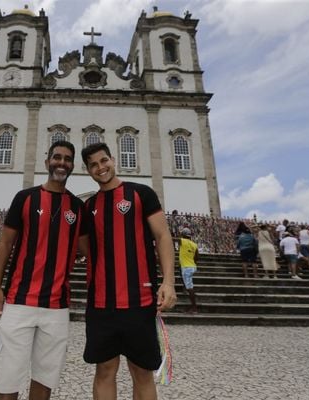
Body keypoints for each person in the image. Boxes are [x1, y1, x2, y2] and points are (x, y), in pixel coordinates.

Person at [78, 143, 177, 400]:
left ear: (113, 159)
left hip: (139, 301)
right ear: (87, 170)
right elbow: (86, 247)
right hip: (101, 304)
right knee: (104, 370)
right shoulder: (89, 207)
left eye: (104, 161)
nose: (101, 168)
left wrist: (168, 282)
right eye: (93, 165)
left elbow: (162, 236)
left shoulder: (141, 193)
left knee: (142, 372)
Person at [0, 141, 83, 399]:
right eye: (57, 157)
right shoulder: (25, 198)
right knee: (7, 379)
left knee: (44, 379)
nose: (62, 163)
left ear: (73, 166)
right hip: (20, 300)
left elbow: (91, 250)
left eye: (67, 159)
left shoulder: (77, 207)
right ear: (47, 162)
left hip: (57, 306)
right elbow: (5, 242)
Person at [176, 228, 199, 313]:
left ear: (183, 235)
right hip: (192, 266)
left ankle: (194, 307)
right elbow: (197, 257)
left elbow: (171, 239)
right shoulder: (194, 244)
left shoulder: (182, 241)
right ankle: (186, 288)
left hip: (186, 268)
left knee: (190, 287)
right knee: (187, 283)